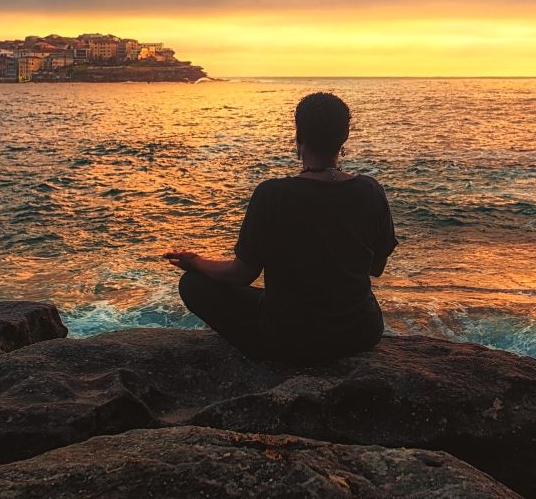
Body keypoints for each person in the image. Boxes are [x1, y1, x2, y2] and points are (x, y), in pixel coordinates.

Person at [164, 92, 398, 362]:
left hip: (288, 339)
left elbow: (241, 274)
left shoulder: (272, 194)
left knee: (192, 284)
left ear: (299, 135)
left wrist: (196, 262)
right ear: (344, 136)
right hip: (360, 333)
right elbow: (376, 267)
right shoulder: (370, 190)